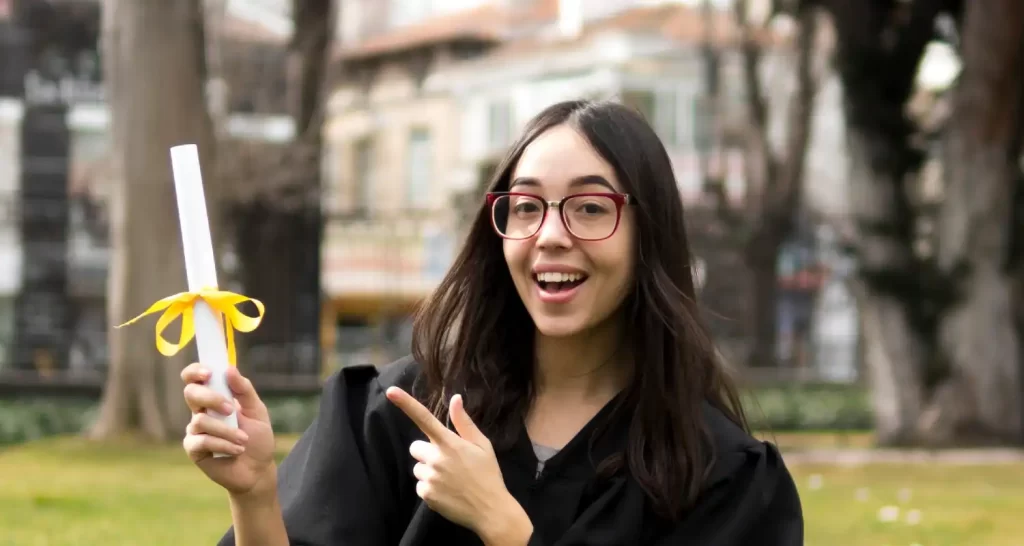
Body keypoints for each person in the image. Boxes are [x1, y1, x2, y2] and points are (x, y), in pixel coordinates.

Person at [180, 99, 804, 545]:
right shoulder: (399, 416)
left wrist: (503, 527)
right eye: (525, 206)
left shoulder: (720, 478)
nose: (551, 236)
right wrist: (255, 492)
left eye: (590, 207)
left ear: (649, 234)